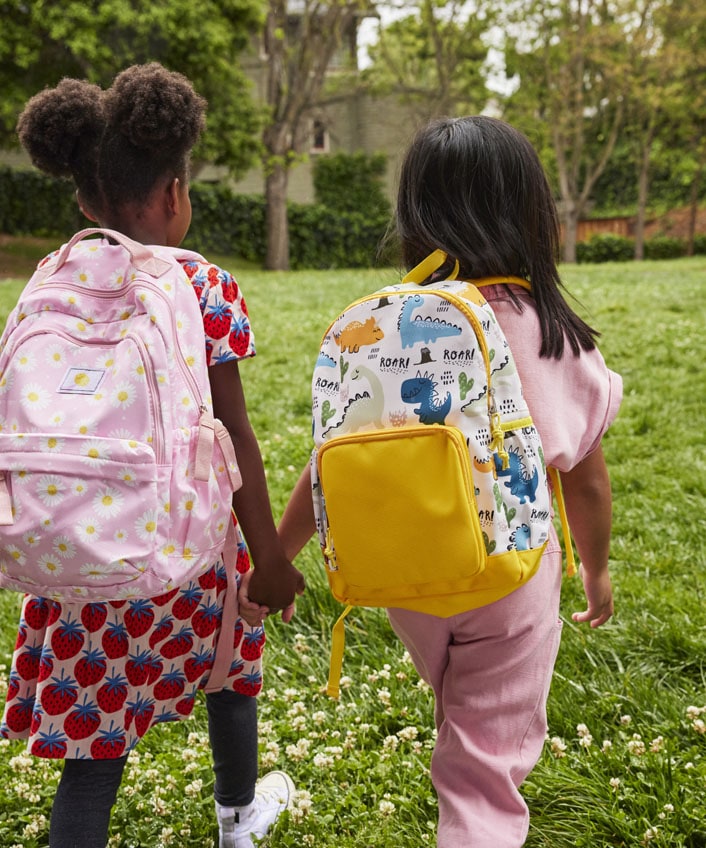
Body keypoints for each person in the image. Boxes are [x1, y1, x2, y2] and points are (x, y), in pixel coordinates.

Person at [277, 115, 622, 847]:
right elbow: (586, 482)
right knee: (482, 773)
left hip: (407, 577)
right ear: (531, 213)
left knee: (461, 713)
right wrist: (596, 571)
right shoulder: (553, 332)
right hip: (510, 576)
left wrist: (276, 556)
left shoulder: (387, 326)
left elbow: (330, 465)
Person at [1, 64, 305, 848]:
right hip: (191, 556)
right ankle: (238, 818)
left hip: (82, 556)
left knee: (93, 762)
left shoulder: (48, 276)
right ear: (175, 195)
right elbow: (234, 434)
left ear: (81, 198)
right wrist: (266, 561)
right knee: (232, 675)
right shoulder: (203, 283)